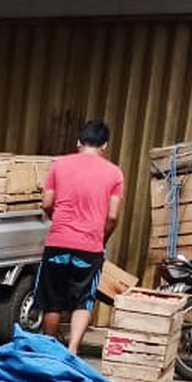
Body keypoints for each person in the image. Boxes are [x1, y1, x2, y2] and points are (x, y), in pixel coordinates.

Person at [36, 119, 124, 355]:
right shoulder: (114, 173)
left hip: (58, 243)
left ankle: (48, 347)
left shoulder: (59, 165)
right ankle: (72, 350)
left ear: (78, 142)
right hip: (89, 247)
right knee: (83, 300)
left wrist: (59, 221)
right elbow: (113, 216)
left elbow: (46, 203)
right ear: (104, 145)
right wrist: (101, 239)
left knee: (53, 299)